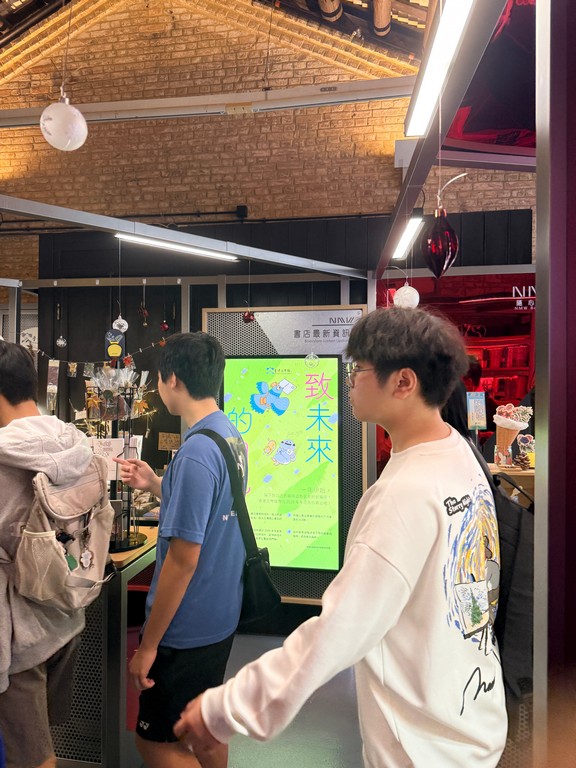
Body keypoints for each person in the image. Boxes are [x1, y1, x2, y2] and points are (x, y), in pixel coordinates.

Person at [174, 307, 508, 768]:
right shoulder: (458, 453)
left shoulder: (404, 493)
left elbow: (338, 631)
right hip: (472, 718)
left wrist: (225, 708)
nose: (349, 381)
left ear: (403, 382)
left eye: (359, 370)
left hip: (422, 747)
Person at [114, 332, 247, 768]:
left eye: (158, 378)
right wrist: (157, 484)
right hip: (221, 612)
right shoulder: (228, 434)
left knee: (155, 743)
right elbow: (213, 508)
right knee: (204, 729)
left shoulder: (194, 453)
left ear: (172, 378)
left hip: (186, 626)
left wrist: (149, 645)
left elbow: (183, 559)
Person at [0, 340, 94, 768]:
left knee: (31, 756)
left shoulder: (7, 457)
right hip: (64, 610)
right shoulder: (71, 441)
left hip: (17, 629)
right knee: (40, 745)